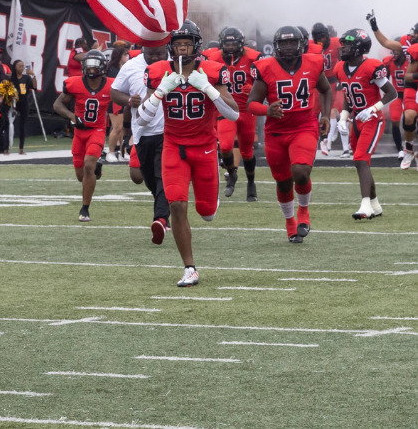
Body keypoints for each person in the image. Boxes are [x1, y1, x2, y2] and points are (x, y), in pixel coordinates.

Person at [138, 21, 238, 287]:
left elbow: (233, 113)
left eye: (187, 44)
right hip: (173, 146)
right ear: (171, 47)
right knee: (177, 205)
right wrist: (160, 91)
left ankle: (211, 201)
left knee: (206, 213)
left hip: (205, 147)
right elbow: (142, 120)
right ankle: (190, 268)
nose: (182, 49)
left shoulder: (214, 71)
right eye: (178, 44)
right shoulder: (158, 71)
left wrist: (207, 88)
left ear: (197, 46)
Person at [247, 26, 332, 243]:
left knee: (301, 173)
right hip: (276, 132)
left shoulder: (313, 63)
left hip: (304, 126)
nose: (287, 47)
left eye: (291, 42)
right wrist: (268, 110)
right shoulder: (265, 67)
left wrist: (325, 116)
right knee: (283, 183)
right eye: (283, 43)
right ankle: (290, 222)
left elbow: (326, 89)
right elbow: (251, 104)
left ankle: (303, 211)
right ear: (276, 46)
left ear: (300, 44)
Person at [111, 43, 170, 244]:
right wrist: (129, 101)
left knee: (163, 175)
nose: (154, 57)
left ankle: (161, 219)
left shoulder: (175, 64)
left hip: (169, 131)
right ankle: (162, 205)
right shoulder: (131, 66)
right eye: (150, 53)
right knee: (148, 178)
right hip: (143, 132)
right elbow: (114, 92)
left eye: (159, 53)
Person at [334, 29, 396, 219]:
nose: (343, 47)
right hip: (356, 121)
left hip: (372, 120)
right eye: (342, 43)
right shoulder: (340, 68)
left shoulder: (371, 66)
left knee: (361, 159)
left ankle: (365, 206)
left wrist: (373, 108)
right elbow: (348, 95)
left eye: (347, 44)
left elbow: (391, 93)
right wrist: (343, 118)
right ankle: (375, 205)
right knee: (361, 162)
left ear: (359, 47)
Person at [53, 49, 113, 222]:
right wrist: (72, 116)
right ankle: (97, 170)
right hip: (79, 133)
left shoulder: (111, 85)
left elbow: (123, 97)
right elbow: (57, 105)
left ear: (102, 67)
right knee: (82, 175)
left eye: (95, 66)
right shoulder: (75, 84)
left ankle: (85, 208)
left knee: (88, 166)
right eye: (89, 65)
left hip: (98, 131)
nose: (92, 69)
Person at [204, 27, 261, 201]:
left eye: (233, 43)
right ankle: (232, 173)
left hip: (246, 110)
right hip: (225, 109)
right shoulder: (211, 58)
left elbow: (264, 82)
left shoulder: (253, 58)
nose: (229, 47)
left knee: (246, 151)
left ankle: (251, 182)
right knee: (226, 146)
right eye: (226, 43)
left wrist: (254, 90)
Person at [366, 11, 418, 166]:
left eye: (416, 34)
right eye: (414, 34)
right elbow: (386, 43)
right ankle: (407, 150)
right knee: (408, 117)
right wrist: (374, 27)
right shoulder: (410, 48)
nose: (413, 36)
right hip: (411, 86)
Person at [310, 23, 345, 157]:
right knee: (314, 112)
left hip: (333, 81)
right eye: (317, 37)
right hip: (318, 82)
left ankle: (326, 139)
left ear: (327, 35)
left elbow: (343, 60)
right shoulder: (310, 46)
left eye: (322, 36)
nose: (320, 40)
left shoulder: (336, 43)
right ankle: (317, 138)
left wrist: (342, 79)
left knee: (333, 110)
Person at [383, 45, 409, 159]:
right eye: (394, 50)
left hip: (410, 93)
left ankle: (410, 146)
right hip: (397, 95)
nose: (395, 52)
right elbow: (385, 78)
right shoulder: (389, 62)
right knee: (394, 120)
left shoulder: (410, 61)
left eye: (397, 50)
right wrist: (386, 89)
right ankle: (400, 149)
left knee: (410, 120)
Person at [106, 45, 130, 161]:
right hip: (115, 101)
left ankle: (123, 152)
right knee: (117, 128)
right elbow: (114, 87)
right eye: (125, 54)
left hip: (123, 100)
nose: (127, 56)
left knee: (123, 128)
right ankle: (110, 152)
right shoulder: (112, 70)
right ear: (119, 55)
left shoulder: (124, 68)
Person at [8, 60, 36, 155]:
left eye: (22, 66)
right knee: (9, 124)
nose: (21, 68)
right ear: (15, 67)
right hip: (13, 102)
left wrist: (33, 76)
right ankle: (6, 147)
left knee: (22, 126)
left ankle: (21, 148)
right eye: (19, 66)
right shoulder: (11, 78)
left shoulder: (26, 78)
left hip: (24, 102)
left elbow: (34, 87)